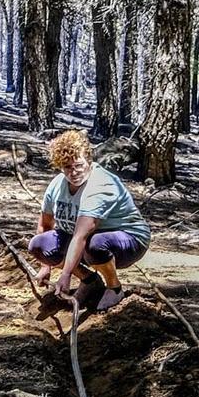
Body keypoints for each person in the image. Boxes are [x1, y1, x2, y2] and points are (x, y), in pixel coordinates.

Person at [29, 128, 151, 312]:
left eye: (78, 165)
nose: (74, 172)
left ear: (89, 159)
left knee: (95, 245)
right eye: (67, 167)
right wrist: (46, 266)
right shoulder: (57, 185)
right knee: (38, 245)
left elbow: (81, 236)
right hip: (83, 239)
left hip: (129, 239)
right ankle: (90, 281)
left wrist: (66, 274)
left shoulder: (100, 184)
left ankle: (114, 288)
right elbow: (45, 225)